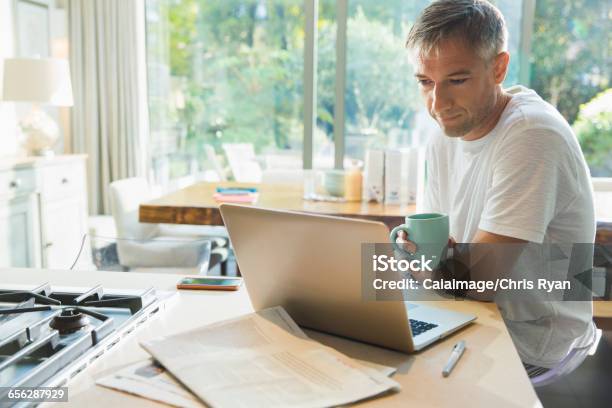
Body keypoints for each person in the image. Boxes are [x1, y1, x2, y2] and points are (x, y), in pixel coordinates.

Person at [396, 0, 596, 378]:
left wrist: (426, 268)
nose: (438, 104)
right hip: (465, 318)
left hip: (532, 341)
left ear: (499, 67)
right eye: (425, 82)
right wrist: (427, 266)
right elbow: (441, 262)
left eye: (457, 80)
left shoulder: (532, 135)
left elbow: (478, 281)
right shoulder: (444, 135)